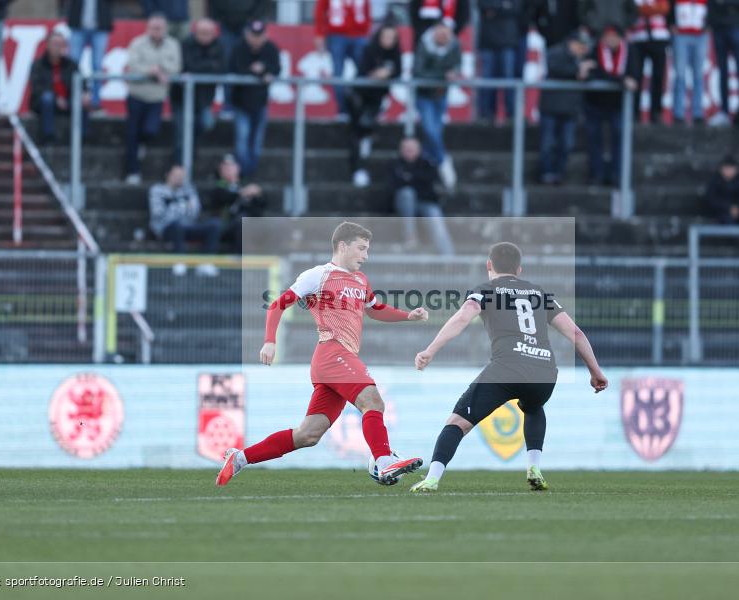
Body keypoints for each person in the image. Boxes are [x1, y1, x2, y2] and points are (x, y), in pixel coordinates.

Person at [216, 222, 429, 487]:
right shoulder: (318, 275)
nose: (365, 256)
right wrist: (269, 341)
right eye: (361, 249)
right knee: (373, 402)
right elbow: (277, 304)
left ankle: (239, 459)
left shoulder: (361, 280)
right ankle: (383, 461)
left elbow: (375, 309)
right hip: (332, 352)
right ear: (343, 245)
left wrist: (408, 315)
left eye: (367, 250)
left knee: (308, 434)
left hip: (334, 361)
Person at [410, 242, 608, 492]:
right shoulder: (539, 294)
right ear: (519, 269)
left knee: (457, 422)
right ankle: (534, 467)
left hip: (506, 368)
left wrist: (430, 350)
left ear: (489, 265)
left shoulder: (485, 290)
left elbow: (462, 318)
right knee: (534, 406)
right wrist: (595, 371)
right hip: (545, 371)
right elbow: (576, 334)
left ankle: (432, 478)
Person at [123, 14, 182, 184]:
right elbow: (133, 66)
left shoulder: (173, 44)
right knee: (131, 134)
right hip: (136, 94)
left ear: (165, 29)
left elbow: (176, 68)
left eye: (160, 28)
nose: (157, 31)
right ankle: (132, 171)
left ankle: (142, 143)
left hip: (157, 96)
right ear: (148, 29)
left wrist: (160, 69)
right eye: (154, 28)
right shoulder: (137, 43)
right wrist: (152, 71)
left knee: (151, 130)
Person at [347, 21, 402, 188]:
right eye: (385, 36)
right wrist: (375, 75)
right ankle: (357, 168)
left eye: (392, 37)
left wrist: (388, 74)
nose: (388, 40)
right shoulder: (369, 50)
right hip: (360, 97)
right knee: (359, 131)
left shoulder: (395, 54)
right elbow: (362, 73)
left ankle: (361, 165)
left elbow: (397, 72)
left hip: (377, 99)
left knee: (366, 131)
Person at [584, 24, 637, 186]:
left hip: (618, 105)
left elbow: (634, 76)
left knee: (619, 139)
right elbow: (593, 73)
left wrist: (610, 77)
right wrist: (620, 80)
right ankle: (597, 174)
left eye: (613, 37)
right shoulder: (594, 50)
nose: (610, 40)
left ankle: (617, 175)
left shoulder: (631, 52)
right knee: (594, 139)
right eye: (607, 37)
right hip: (595, 104)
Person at [539, 30, 593, 184]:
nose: (582, 49)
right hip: (551, 106)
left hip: (570, 109)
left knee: (567, 143)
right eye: (580, 45)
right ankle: (546, 172)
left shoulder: (582, 58)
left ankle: (559, 172)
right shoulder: (556, 52)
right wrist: (578, 71)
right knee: (547, 142)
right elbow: (555, 67)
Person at [413, 21, 461, 192]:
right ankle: (444, 162)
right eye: (440, 35)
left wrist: (454, 72)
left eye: (446, 35)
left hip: (441, 93)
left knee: (435, 132)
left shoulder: (454, 44)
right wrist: (442, 76)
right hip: (424, 94)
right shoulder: (424, 45)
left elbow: (457, 64)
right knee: (430, 129)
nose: (443, 38)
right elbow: (418, 72)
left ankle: (429, 166)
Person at [149, 164, 222, 275]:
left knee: (214, 224)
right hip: (167, 228)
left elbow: (195, 212)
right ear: (167, 175)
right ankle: (179, 261)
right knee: (177, 225)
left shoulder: (189, 190)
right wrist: (183, 207)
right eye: (176, 175)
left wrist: (172, 207)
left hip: (188, 226)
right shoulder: (157, 190)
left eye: (181, 176)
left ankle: (206, 262)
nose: (179, 178)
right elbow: (158, 212)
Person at [229, 20, 280, 177]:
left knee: (256, 144)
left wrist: (264, 70)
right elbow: (236, 68)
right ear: (247, 34)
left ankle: (251, 174)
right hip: (241, 102)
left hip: (260, 102)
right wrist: (259, 72)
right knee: (242, 141)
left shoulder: (270, 48)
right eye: (253, 35)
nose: (256, 39)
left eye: (260, 35)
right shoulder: (239, 48)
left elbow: (276, 68)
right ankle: (243, 174)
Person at [171, 17, 226, 163]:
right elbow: (188, 66)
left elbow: (221, 68)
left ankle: (189, 160)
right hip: (181, 98)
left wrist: (200, 68)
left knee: (206, 124)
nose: (205, 36)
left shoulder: (219, 46)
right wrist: (209, 66)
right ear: (195, 32)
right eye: (202, 32)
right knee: (181, 134)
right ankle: (179, 166)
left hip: (204, 99)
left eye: (209, 32)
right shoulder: (186, 44)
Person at [391, 137, 455, 255]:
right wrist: (416, 180)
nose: (409, 151)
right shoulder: (395, 165)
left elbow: (432, 184)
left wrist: (410, 178)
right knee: (407, 194)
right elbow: (394, 187)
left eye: (412, 149)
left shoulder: (428, 163)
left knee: (436, 220)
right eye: (406, 149)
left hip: (426, 201)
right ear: (401, 150)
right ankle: (410, 237)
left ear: (419, 150)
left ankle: (449, 260)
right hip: (404, 204)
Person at [28, 30, 90, 144]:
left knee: (80, 102)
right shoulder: (38, 65)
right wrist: (56, 98)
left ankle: (83, 138)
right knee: (47, 98)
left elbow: (82, 83)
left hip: (67, 101)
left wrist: (85, 93)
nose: (58, 48)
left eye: (61, 45)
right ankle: (48, 136)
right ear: (48, 45)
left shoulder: (72, 65)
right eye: (55, 44)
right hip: (46, 103)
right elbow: (37, 88)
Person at [207, 0, 266, 114]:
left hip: (248, 24)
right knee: (227, 65)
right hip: (226, 24)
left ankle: (245, 106)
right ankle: (228, 105)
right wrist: (219, 18)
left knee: (246, 65)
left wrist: (253, 18)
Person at [314, 0, 371, 118]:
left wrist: (366, 31)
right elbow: (320, 11)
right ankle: (342, 109)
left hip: (358, 34)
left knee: (365, 71)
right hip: (336, 34)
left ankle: (367, 107)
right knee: (338, 74)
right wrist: (319, 34)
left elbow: (366, 10)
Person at [476, 0, 523, 123]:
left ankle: (511, 115)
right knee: (487, 80)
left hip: (508, 41)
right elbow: (482, 5)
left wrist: (495, 9)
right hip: (487, 41)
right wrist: (503, 6)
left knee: (509, 80)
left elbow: (516, 9)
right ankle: (485, 115)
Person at [208, 154, 265, 253]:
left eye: (231, 167)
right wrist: (243, 192)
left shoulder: (245, 184)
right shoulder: (218, 187)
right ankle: (240, 258)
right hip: (226, 225)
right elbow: (223, 198)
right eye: (225, 167)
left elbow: (262, 204)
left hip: (250, 222)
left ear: (238, 168)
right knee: (241, 221)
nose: (228, 170)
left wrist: (258, 194)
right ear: (220, 170)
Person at [628, 0, 671, 124]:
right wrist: (651, 9)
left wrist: (645, 9)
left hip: (659, 37)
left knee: (658, 77)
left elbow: (664, 8)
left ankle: (656, 112)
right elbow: (632, 10)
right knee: (636, 76)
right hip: (638, 37)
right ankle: (634, 112)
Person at [707, 0, 739, 126]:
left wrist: (724, 3)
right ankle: (724, 111)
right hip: (719, 28)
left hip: (737, 26)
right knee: (722, 72)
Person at [66, 0, 113, 112]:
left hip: (100, 27)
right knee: (72, 64)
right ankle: (71, 99)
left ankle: (95, 102)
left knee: (97, 66)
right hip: (78, 26)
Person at [670, 0, 709, 125]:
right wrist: (671, 23)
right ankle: (678, 113)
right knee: (680, 75)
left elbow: (712, 8)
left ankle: (697, 113)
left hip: (700, 35)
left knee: (698, 75)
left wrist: (708, 25)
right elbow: (669, 7)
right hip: (681, 34)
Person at [704, 155, 739, 224]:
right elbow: (712, 200)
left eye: (731, 168)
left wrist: (738, 208)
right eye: (727, 168)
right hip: (719, 213)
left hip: (738, 213)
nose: (729, 171)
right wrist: (728, 208)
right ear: (721, 169)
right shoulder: (715, 182)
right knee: (727, 221)